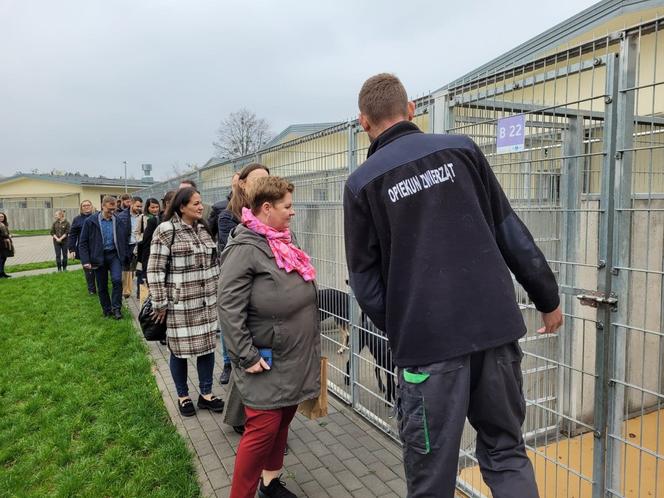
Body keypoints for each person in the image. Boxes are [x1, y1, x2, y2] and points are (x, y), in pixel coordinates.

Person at [343, 73, 563, 498]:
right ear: (411, 111)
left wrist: (406, 326)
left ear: (363, 122)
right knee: (506, 453)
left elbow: (365, 281)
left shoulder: (362, 183)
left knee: (432, 478)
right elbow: (510, 231)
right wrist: (547, 298)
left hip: (427, 351)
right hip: (494, 332)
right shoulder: (461, 150)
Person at [218, 176, 319, 498]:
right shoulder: (245, 248)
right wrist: (246, 356)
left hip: (294, 356)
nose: (292, 212)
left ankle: (270, 483)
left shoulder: (281, 240)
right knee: (261, 431)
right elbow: (228, 307)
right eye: (287, 206)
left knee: (282, 421)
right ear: (266, 208)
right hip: (266, 359)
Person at [147, 187, 225, 417]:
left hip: (206, 303)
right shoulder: (166, 230)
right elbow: (155, 268)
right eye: (196, 204)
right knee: (178, 352)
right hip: (179, 305)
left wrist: (219, 291)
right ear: (182, 207)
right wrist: (160, 303)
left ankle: (206, 394)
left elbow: (214, 264)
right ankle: (182, 396)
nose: (201, 207)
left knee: (207, 349)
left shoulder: (203, 229)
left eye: (201, 203)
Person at [218, 164, 270, 386]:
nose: (263, 184)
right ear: (242, 183)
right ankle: (229, 362)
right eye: (258, 180)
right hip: (242, 284)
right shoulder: (229, 217)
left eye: (267, 180)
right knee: (236, 326)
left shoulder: (270, 211)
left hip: (264, 289)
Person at [79, 196, 130, 320]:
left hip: (114, 256)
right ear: (103, 206)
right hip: (98, 256)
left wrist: (125, 256)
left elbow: (124, 239)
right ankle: (107, 310)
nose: (112, 212)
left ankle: (116, 308)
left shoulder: (118, 221)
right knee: (101, 286)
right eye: (109, 209)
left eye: (114, 209)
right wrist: (85, 260)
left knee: (117, 280)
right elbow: (83, 242)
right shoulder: (91, 221)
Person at [69, 200, 97, 294]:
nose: (86, 207)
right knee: (88, 269)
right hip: (84, 248)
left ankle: (101, 286)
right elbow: (72, 235)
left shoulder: (97, 216)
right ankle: (91, 289)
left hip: (96, 247)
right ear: (81, 208)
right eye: (84, 206)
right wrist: (71, 249)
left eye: (88, 205)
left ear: (91, 206)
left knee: (99, 268)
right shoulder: (77, 219)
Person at [134, 197, 161, 292]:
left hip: (155, 248)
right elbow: (136, 232)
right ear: (147, 208)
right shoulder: (142, 217)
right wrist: (141, 239)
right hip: (144, 248)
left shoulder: (160, 218)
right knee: (142, 271)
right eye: (152, 207)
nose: (155, 209)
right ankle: (140, 292)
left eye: (157, 207)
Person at [118, 196, 143, 298]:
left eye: (141, 206)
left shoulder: (142, 216)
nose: (139, 208)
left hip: (139, 245)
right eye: (137, 206)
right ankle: (126, 290)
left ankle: (140, 293)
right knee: (127, 268)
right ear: (131, 204)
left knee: (140, 269)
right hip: (128, 245)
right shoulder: (122, 216)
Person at [208, 172, 239, 242]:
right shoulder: (219, 208)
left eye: (239, 186)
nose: (237, 190)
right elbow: (210, 233)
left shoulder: (254, 207)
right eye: (234, 186)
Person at [0, 212, 13, 278]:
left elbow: (6, 233)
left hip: (5, 245)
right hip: (1, 244)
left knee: (4, 259)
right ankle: (0, 274)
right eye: (0, 217)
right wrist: (6, 238)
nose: (1, 218)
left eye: (2, 216)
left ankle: (2, 273)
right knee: (1, 259)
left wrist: (9, 236)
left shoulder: (4, 224)